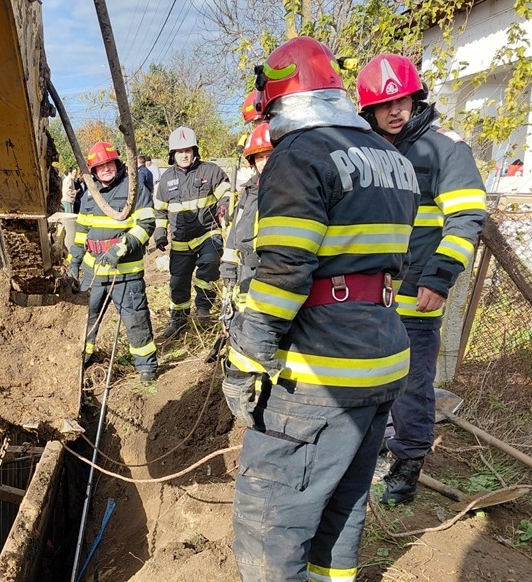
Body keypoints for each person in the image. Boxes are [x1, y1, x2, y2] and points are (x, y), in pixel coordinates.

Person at [225, 37, 419, 581]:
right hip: (382, 361)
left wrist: (247, 360)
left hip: (318, 374)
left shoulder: (299, 155)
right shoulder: (389, 156)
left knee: (271, 521)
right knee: (342, 509)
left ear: (279, 102)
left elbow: (284, 271)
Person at [357, 54, 488, 505]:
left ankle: (408, 464)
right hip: (371, 294)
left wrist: (439, 278)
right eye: (385, 103)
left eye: (404, 100)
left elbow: (466, 218)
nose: (396, 110)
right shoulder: (367, 151)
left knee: (412, 385)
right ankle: (380, 448)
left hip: (417, 293)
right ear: (369, 111)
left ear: (417, 99)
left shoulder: (446, 148)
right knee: (375, 380)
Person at [68, 141, 159, 383]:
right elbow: (81, 232)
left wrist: (119, 249)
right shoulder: (90, 195)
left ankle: (146, 368)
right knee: (85, 319)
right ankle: (82, 360)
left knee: (135, 318)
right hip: (94, 272)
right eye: (100, 166)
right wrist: (74, 260)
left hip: (125, 273)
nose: (106, 169)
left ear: (117, 164)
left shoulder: (134, 190)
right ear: (93, 171)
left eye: (109, 163)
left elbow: (147, 225)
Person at [152, 126, 232, 340]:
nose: (184, 155)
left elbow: (226, 194)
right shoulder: (166, 181)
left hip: (208, 233)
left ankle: (204, 310)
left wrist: (224, 210)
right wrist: (160, 234)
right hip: (180, 242)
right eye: (179, 151)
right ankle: (178, 321)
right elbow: (159, 210)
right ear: (172, 154)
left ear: (195, 151)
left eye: (188, 150)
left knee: (209, 264)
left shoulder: (211, 171)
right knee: (178, 282)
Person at [219, 122, 272, 409]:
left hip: (267, 275)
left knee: (262, 335)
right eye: (259, 157)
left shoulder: (286, 189)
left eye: (270, 155)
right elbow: (235, 232)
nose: (265, 162)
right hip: (243, 276)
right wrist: (228, 266)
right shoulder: (249, 191)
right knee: (241, 330)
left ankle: (264, 397)